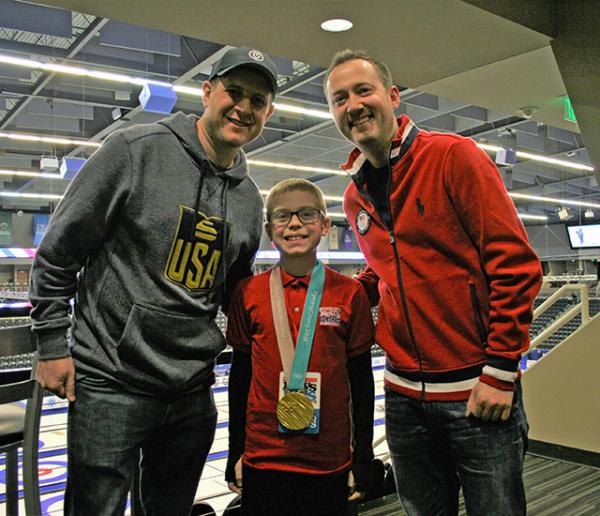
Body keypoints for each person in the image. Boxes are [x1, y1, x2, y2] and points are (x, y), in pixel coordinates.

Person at [28, 46, 278, 515]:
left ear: (268, 113)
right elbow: (58, 253)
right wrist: (51, 346)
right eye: (234, 92)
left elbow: (235, 292)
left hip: (192, 390)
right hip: (111, 382)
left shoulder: (248, 199)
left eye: (258, 101)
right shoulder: (133, 150)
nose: (244, 108)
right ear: (207, 92)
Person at [325, 49, 543, 515]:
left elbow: (515, 266)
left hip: (478, 392)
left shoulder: (452, 157)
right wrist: (341, 292)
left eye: (363, 90)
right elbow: (388, 267)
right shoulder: (352, 196)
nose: (354, 105)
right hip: (403, 398)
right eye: (339, 98)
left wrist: (501, 371)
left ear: (393, 96)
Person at [225, 178, 375, 515]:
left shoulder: (351, 294)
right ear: (268, 228)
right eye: (283, 216)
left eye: (306, 214)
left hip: (329, 459)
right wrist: (236, 449)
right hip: (263, 457)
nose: (294, 223)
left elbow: (362, 384)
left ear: (324, 225)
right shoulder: (248, 293)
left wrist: (361, 454)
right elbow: (240, 376)